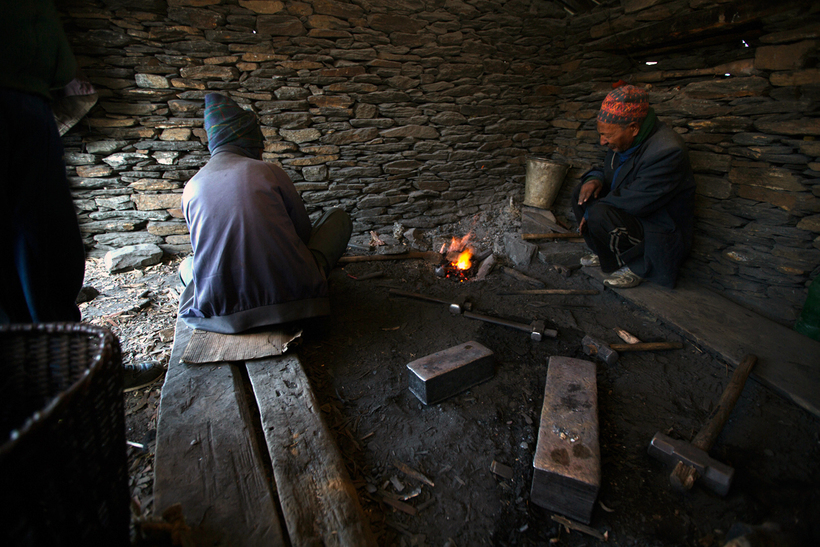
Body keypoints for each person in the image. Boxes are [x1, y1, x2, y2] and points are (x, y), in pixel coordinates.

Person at [0, 0, 162, 391]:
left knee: (34, 251)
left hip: (22, 96)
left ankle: (41, 376)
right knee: (42, 247)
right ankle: (68, 375)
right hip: (16, 100)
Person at [179, 93, 353, 334]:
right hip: (295, 301)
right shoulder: (267, 171)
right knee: (338, 218)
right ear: (249, 141)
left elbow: (203, 252)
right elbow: (303, 235)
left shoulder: (191, 187)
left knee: (186, 266)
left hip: (220, 315)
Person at [572, 84, 695, 289]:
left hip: (655, 223)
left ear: (634, 128)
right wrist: (595, 179)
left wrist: (594, 209)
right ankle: (606, 255)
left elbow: (638, 199)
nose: (602, 142)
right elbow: (614, 172)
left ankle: (639, 266)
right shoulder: (624, 140)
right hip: (630, 210)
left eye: (607, 136)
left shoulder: (667, 151)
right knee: (582, 194)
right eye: (601, 134)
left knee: (599, 212)